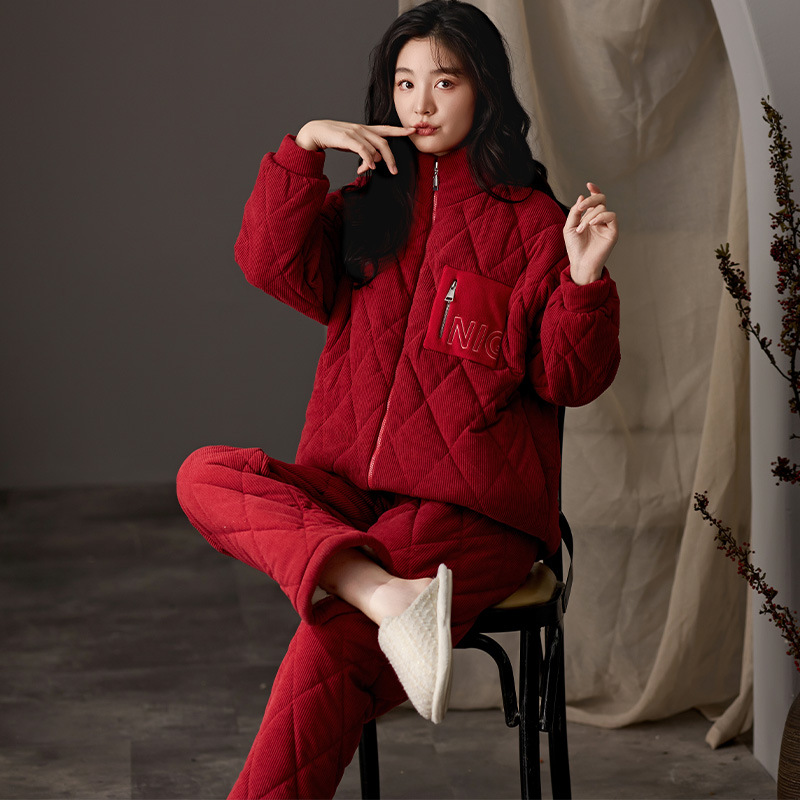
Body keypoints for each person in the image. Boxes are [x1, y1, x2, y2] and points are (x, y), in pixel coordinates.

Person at [176, 1, 620, 796]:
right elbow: (267, 264)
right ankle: (387, 594)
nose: (420, 103)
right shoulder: (367, 208)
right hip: (351, 496)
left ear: (483, 89)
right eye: (405, 82)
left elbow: (569, 381)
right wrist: (304, 147)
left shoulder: (534, 225)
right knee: (204, 474)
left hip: (470, 510)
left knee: (329, 645)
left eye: (444, 82)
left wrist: (584, 280)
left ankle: (369, 595)